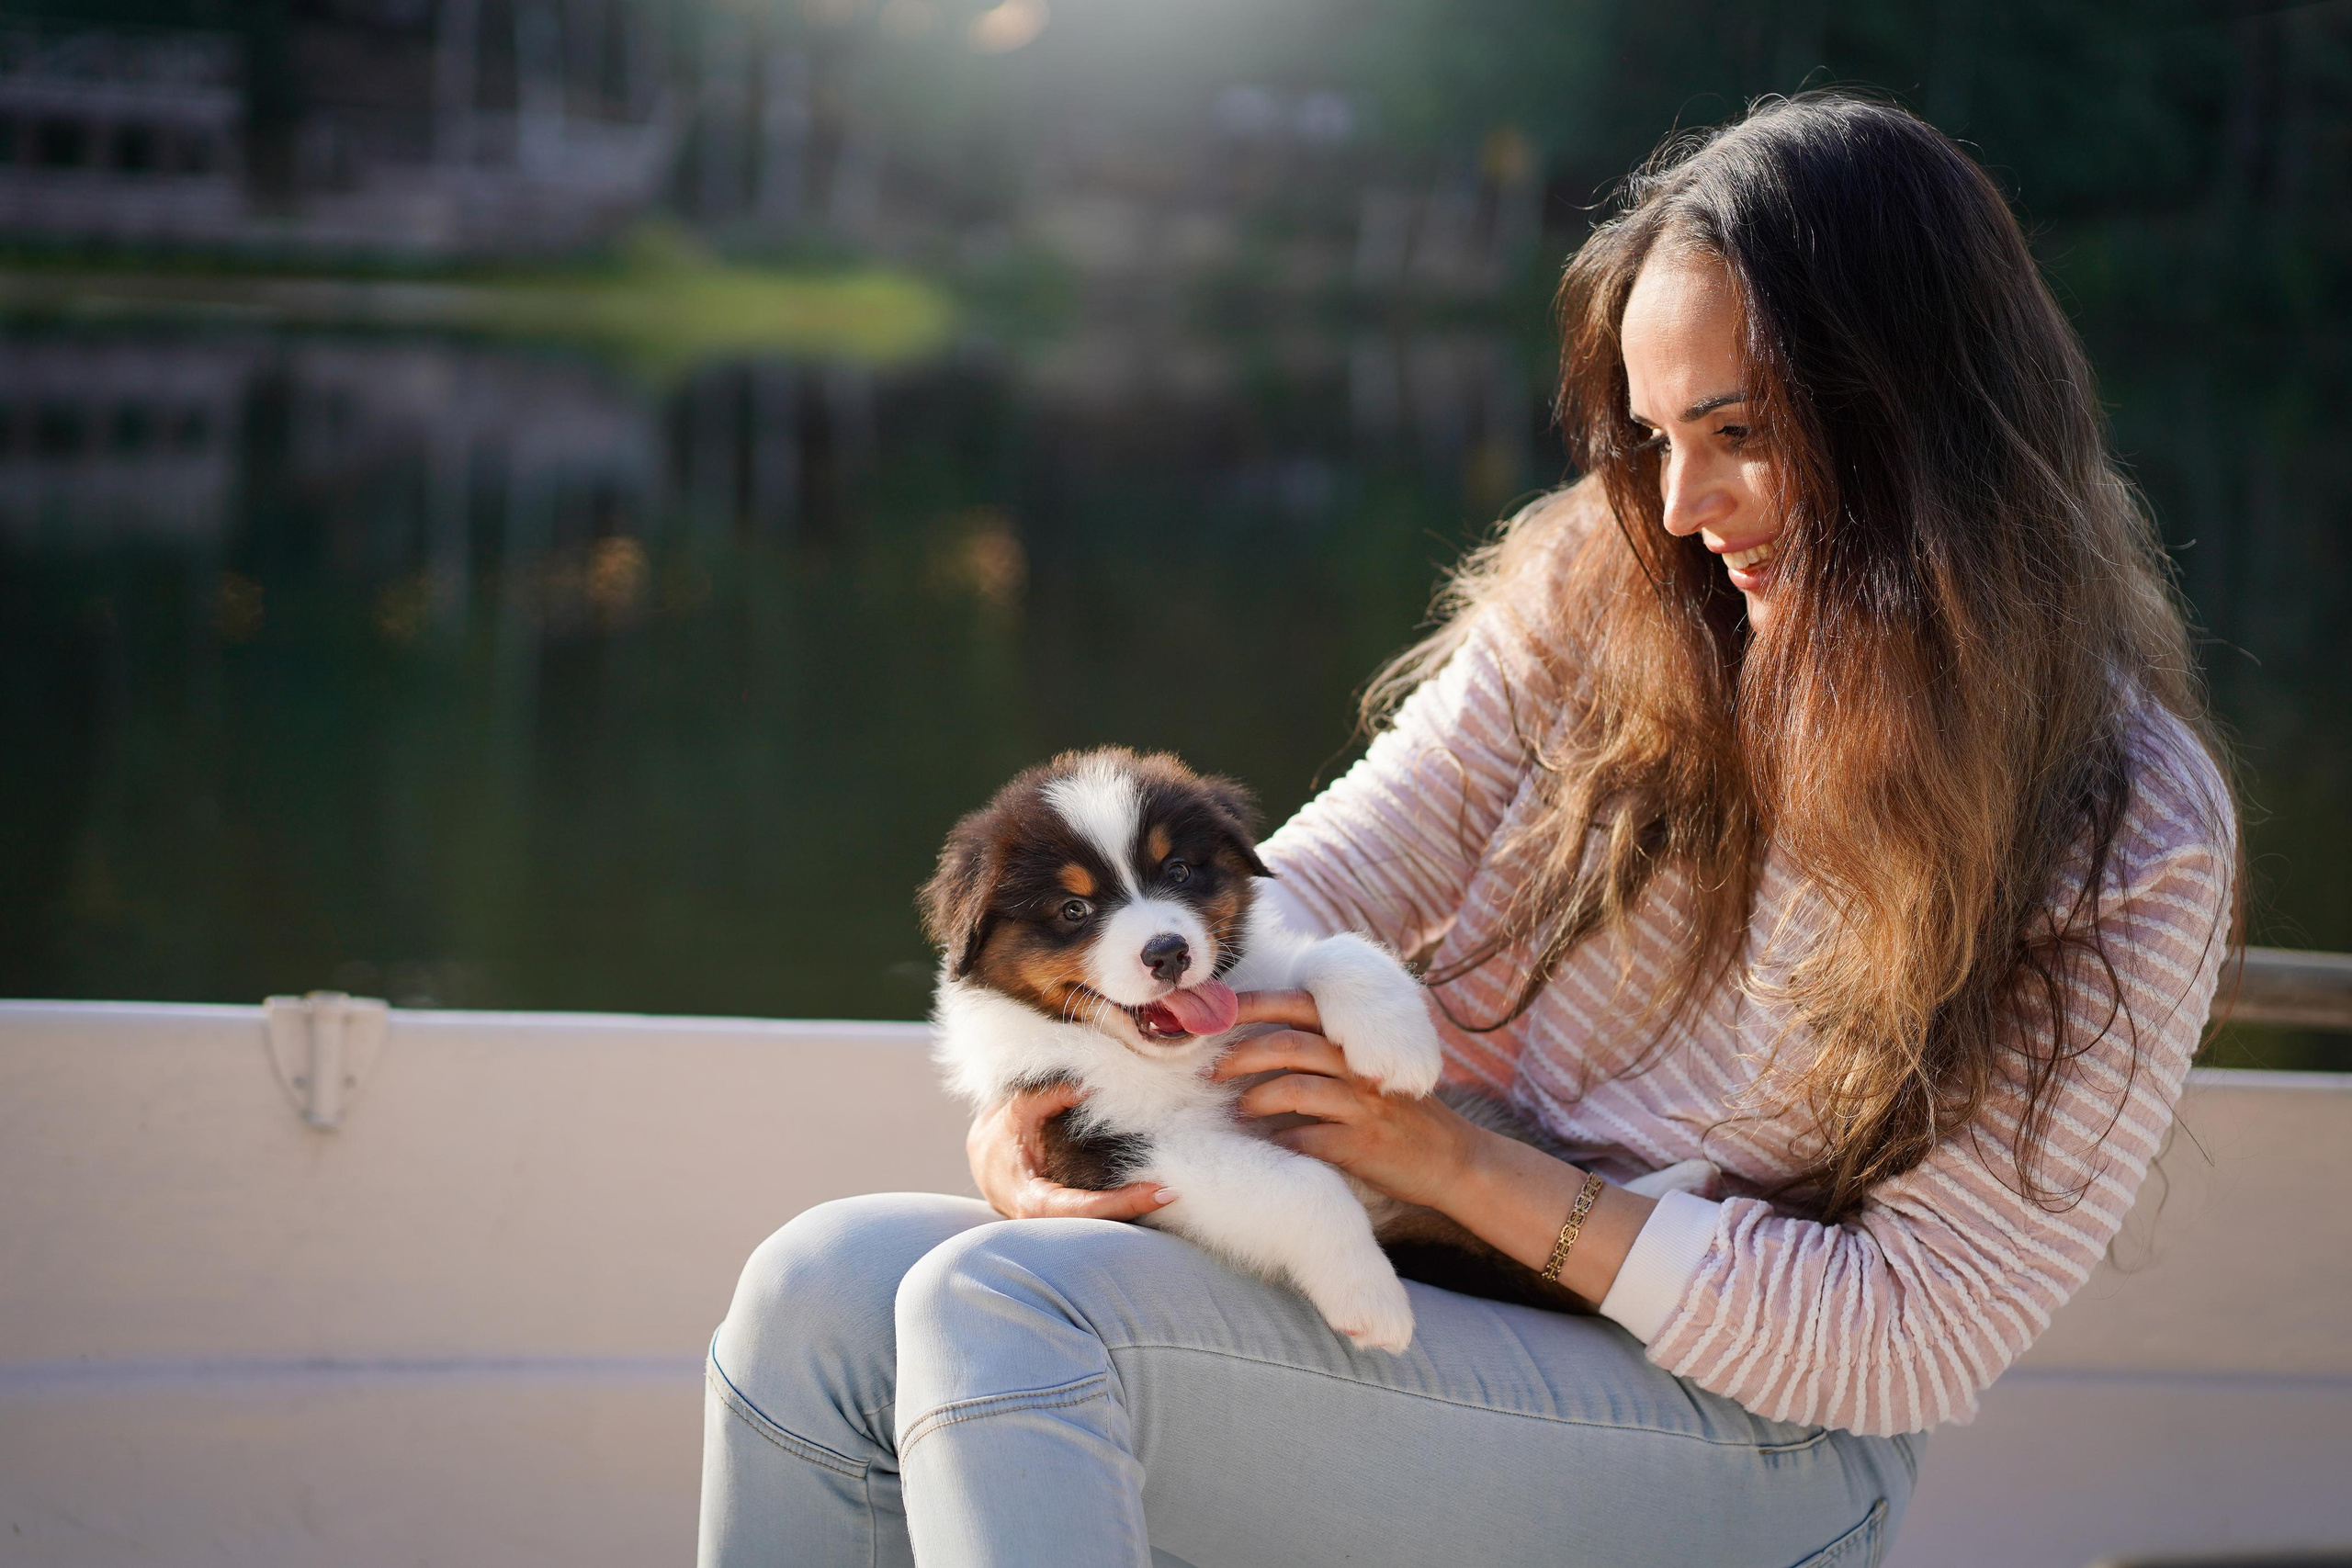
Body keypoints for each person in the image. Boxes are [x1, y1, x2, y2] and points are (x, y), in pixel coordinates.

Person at [696, 92, 2236, 1568]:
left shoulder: (2130, 826)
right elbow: (1305, 885)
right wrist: (1059, 1080)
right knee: (817, 1294)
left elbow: (1904, 1339)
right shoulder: (1609, 593)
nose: (1682, 503)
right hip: (1440, 1283)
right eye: (1649, 438)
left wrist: (1439, 1159)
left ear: (1923, 416)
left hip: (1757, 1438)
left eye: (1741, 429)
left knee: (1004, 1314)